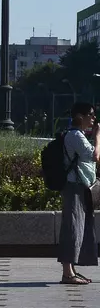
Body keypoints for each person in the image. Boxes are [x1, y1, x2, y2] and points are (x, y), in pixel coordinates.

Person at [59, 102, 99, 285]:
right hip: (74, 187)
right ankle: (67, 273)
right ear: (80, 117)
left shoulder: (79, 135)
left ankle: (71, 271)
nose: (93, 118)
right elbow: (95, 156)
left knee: (79, 227)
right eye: (91, 115)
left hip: (80, 187)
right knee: (72, 228)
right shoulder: (75, 135)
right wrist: (98, 137)